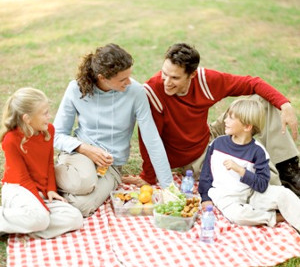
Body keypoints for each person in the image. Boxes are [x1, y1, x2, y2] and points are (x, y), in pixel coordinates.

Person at [123, 43, 300, 196]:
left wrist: (284, 104)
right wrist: (148, 176)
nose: (166, 82)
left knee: (264, 101)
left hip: (209, 134)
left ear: (192, 75)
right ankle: (275, 188)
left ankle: (289, 169)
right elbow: (149, 139)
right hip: (193, 157)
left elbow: (252, 83)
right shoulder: (153, 91)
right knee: (243, 171)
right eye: (164, 74)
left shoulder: (205, 80)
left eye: (175, 77)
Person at [53, 43, 173, 217]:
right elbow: (57, 135)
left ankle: (56, 192)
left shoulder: (136, 93)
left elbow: (152, 139)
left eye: (129, 76)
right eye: (122, 80)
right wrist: (84, 148)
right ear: (102, 78)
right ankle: (47, 177)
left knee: (82, 207)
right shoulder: (76, 89)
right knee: (85, 182)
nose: (129, 82)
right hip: (80, 154)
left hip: (111, 166)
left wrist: (168, 187)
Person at [198, 98, 300, 231]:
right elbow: (206, 175)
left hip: (253, 194)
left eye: (231, 118)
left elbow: (263, 185)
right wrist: (205, 198)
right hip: (226, 197)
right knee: (238, 215)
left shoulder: (258, 151)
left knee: (284, 194)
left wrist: (242, 171)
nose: (225, 121)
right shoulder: (217, 145)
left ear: (247, 127)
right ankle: (275, 217)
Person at [0, 87, 83, 239]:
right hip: (18, 189)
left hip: (40, 191)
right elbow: (23, 178)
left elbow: (49, 164)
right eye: (44, 113)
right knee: (40, 217)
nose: (49, 117)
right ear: (27, 118)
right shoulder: (11, 140)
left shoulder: (49, 131)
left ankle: (21, 226)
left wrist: (51, 189)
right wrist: (42, 208)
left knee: (75, 218)